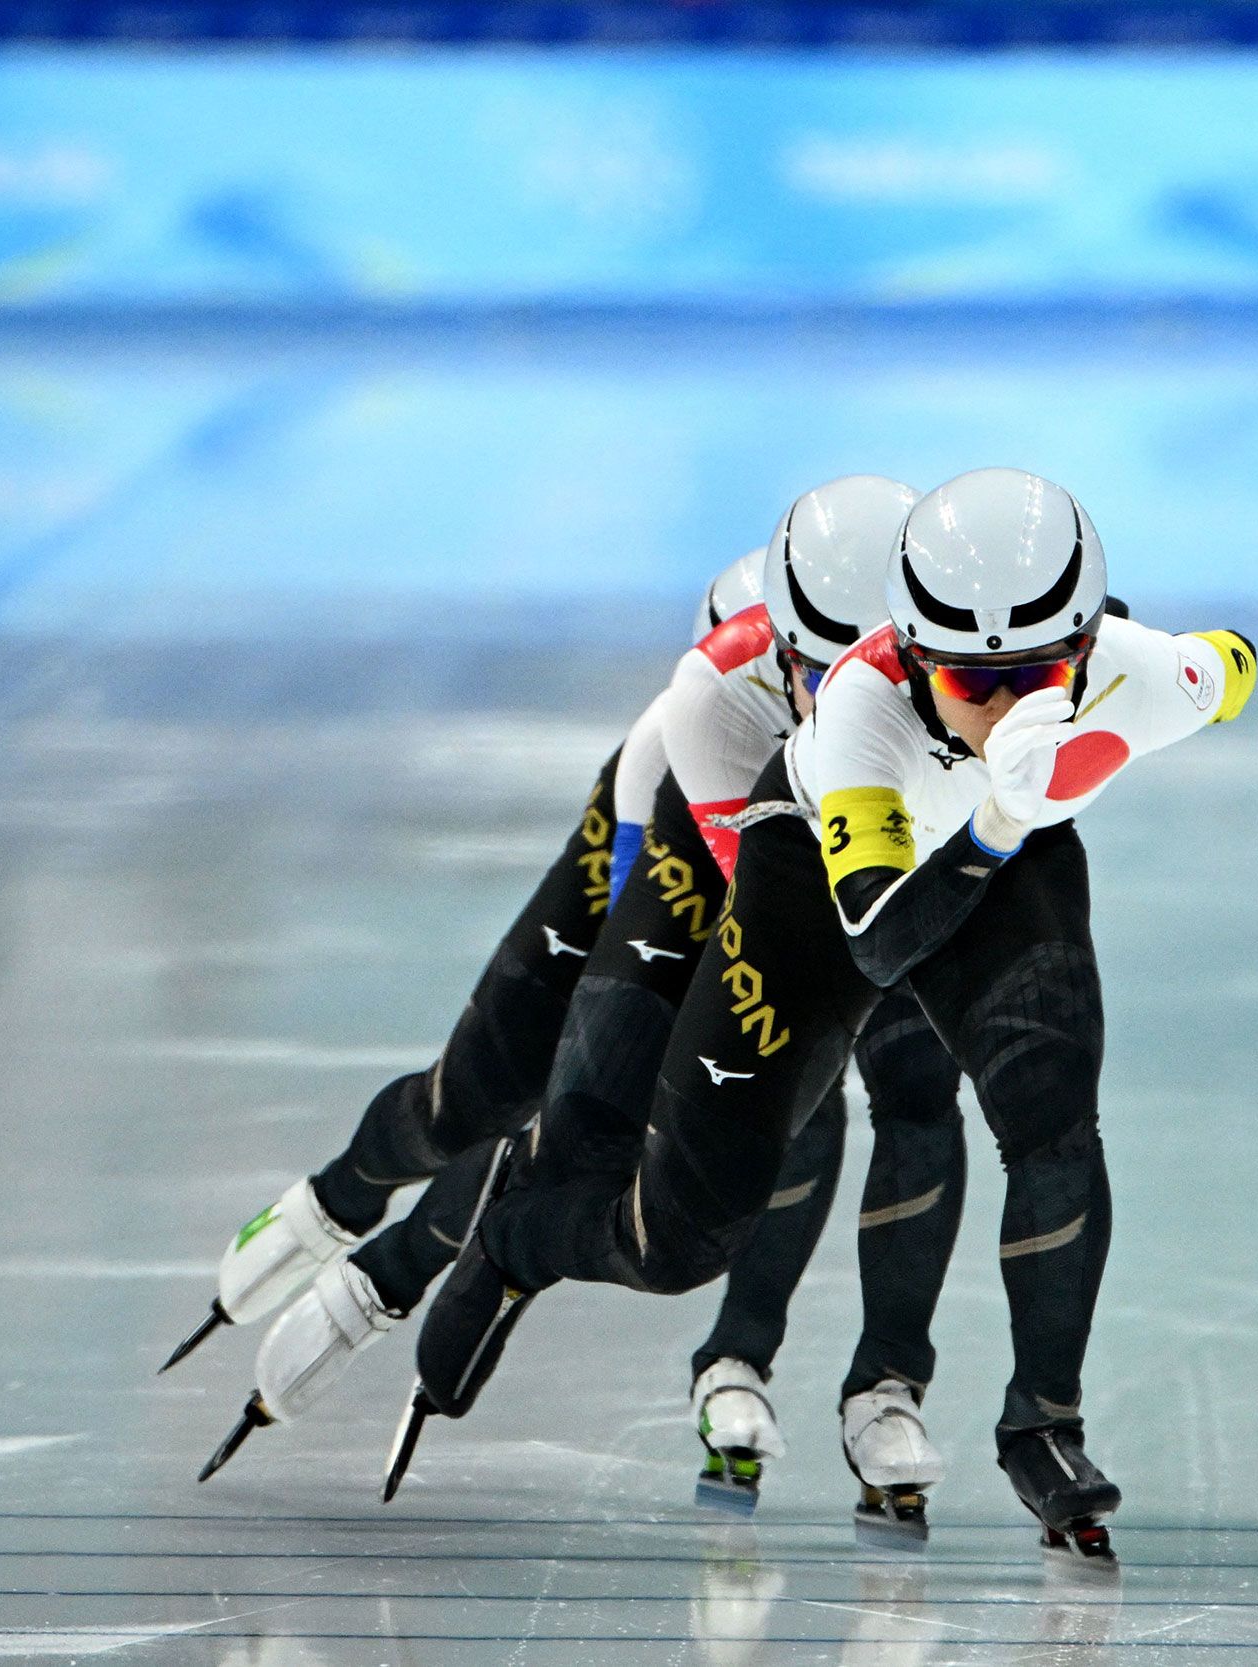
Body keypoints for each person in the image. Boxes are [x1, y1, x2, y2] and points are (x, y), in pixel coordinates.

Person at [402, 468, 1257, 1566]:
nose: (997, 708)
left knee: (1053, 1113)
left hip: (1005, 846)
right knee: (682, 1241)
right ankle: (521, 1228)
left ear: (1087, 644)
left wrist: (1199, 678)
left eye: (1031, 674)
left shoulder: (1136, 675)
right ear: (907, 650)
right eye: (963, 682)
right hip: (821, 883)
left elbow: (1228, 665)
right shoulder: (861, 710)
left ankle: (1043, 1422)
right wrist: (1000, 812)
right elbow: (883, 948)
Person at [201, 480, 972, 1538]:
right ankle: (340, 1211)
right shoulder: (701, 707)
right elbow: (710, 949)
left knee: (849, 1087)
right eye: (806, 673)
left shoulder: (935, 705)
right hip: (672, 843)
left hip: (828, 843)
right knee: (486, 1097)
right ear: (774, 652)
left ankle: (782, 1363)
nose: (829, 698)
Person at [160, 548, 766, 1376]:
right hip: (642, 885)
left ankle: (401, 1266)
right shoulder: (668, 738)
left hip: (749, 880)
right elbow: (630, 918)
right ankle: (341, 1194)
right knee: (476, 1103)